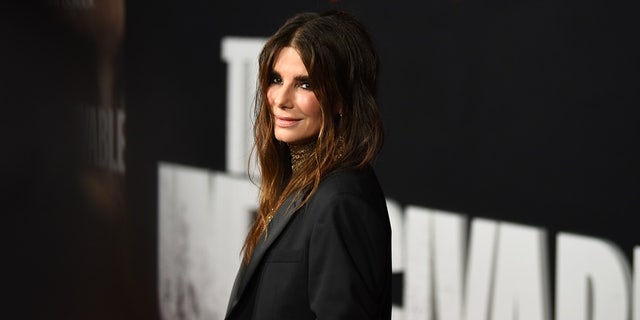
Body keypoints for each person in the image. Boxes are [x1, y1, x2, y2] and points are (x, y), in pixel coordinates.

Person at [225, 10, 391, 320]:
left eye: (305, 84)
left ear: (341, 99)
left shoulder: (341, 200)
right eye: (276, 79)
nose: (280, 99)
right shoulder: (300, 181)